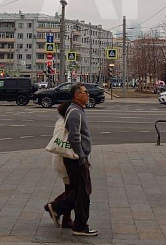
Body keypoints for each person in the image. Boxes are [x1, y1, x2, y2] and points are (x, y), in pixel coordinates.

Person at [48, 83, 97, 236]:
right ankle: (79, 226)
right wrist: (81, 157)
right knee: (83, 193)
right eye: (85, 92)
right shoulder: (75, 112)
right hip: (76, 159)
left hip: (76, 158)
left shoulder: (78, 110)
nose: (88, 95)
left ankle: (57, 208)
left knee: (79, 192)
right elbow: (74, 137)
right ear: (77, 95)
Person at [45, 101, 74, 229]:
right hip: (64, 161)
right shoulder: (63, 124)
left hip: (64, 160)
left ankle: (66, 218)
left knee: (71, 190)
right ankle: (54, 207)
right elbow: (60, 143)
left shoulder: (63, 121)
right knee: (77, 191)